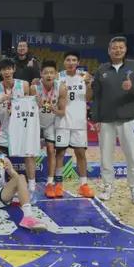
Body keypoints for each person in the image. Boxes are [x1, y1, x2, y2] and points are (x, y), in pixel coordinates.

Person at [91, 36, 134, 205]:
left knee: (133, 156)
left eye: (121, 47)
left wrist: (132, 88)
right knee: (106, 157)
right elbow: (97, 96)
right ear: (109, 51)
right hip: (106, 120)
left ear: (125, 49)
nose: (117, 50)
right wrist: (96, 118)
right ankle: (107, 187)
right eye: (114, 47)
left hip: (128, 119)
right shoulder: (102, 69)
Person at [0, 58, 37, 194]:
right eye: (4, 69)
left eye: (9, 69)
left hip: (22, 129)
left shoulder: (24, 85)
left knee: (29, 155)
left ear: (14, 69)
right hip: (5, 131)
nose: (7, 72)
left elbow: (31, 105)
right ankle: (2, 182)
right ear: (0, 72)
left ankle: (32, 185)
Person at [53, 51, 95, 198]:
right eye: (68, 60)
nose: (71, 62)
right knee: (60, 153)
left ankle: (83, 185)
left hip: (79, 122)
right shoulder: (58, 77)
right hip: (62, 121)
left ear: (78, 62)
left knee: (81, 153)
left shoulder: (84, 76)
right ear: (64, 62)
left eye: (74, 60)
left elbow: (88, 98)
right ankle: (58, 185)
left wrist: (89, 84)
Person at [30, 60, 67, 198]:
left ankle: (50, 183)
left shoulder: (61, 88)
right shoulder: (34, 87)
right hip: (36, 122)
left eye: (52, 72)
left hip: (51, 122)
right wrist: (36, 105)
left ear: (56, 74)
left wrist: (53, 109)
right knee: (32, 152)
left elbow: (62, 112)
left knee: (51, 150)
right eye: (46, 73)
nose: (49, 75)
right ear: (41, 74)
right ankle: (31, 183)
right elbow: (28, 108)